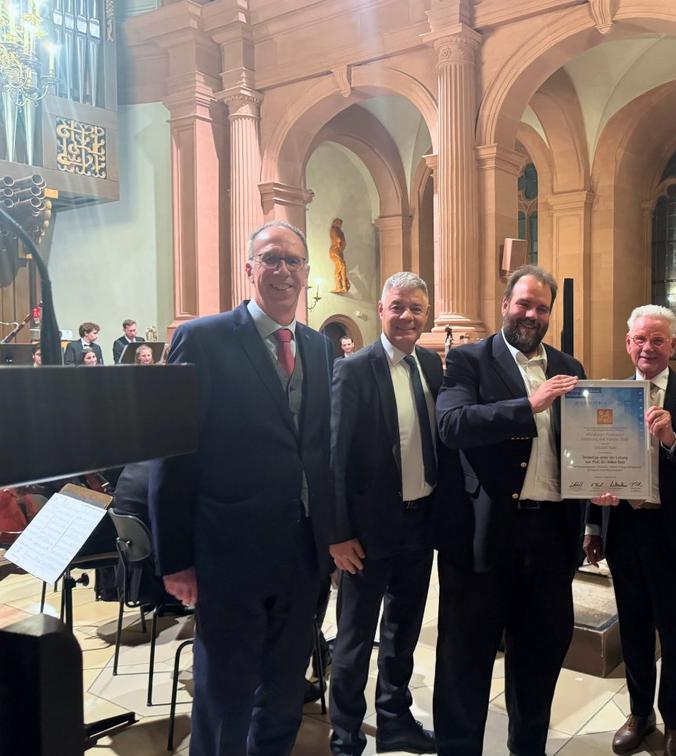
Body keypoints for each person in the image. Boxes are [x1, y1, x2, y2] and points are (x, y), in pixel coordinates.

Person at [149, 220, 335, 756]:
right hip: (229, 555)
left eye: (293, 260)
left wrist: (331, 538)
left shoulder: (320, 348)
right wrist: (175, 559)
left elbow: (320, 451)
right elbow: (173, 454)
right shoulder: (203, 339)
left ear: (306, 272)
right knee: (225, 695)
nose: (283, 270)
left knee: (285, 691)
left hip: (302, 554)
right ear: (249, 268)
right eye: (271, 258)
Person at [433, 264, 586, 756]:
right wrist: (529, 404)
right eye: (523, 304)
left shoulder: (570, 366)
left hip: (551, 536)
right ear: (505, 305)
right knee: (465, 660)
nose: (531, 314)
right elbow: (452, 425)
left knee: (540, 658)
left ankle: (528, 748)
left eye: (542, 307)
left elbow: (582, 446)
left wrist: (601, 483)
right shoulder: (469, 360)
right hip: (484, 536)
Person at [327, 272, 459, 755]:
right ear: (381, 310)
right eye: (398, 306)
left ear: (427, 315)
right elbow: (335, 458)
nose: (407, 316)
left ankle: (395, 719)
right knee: (355, 638)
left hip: (420, 523)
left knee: (403, 631)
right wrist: (338, 534)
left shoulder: (431, 364)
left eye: (417, 309)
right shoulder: (353, 369)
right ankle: (345, 735)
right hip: (366, 532)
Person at [583, 305, 676, 756]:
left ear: (672, 345)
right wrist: (593, 522)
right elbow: (593, 461)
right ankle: (640, 714)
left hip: (673, 534)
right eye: (640, 339)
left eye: (657, 339)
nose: (648, 347)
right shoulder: (607, 396)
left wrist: (672, 440)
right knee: (634, 630)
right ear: (628, 343)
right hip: (625, 531)